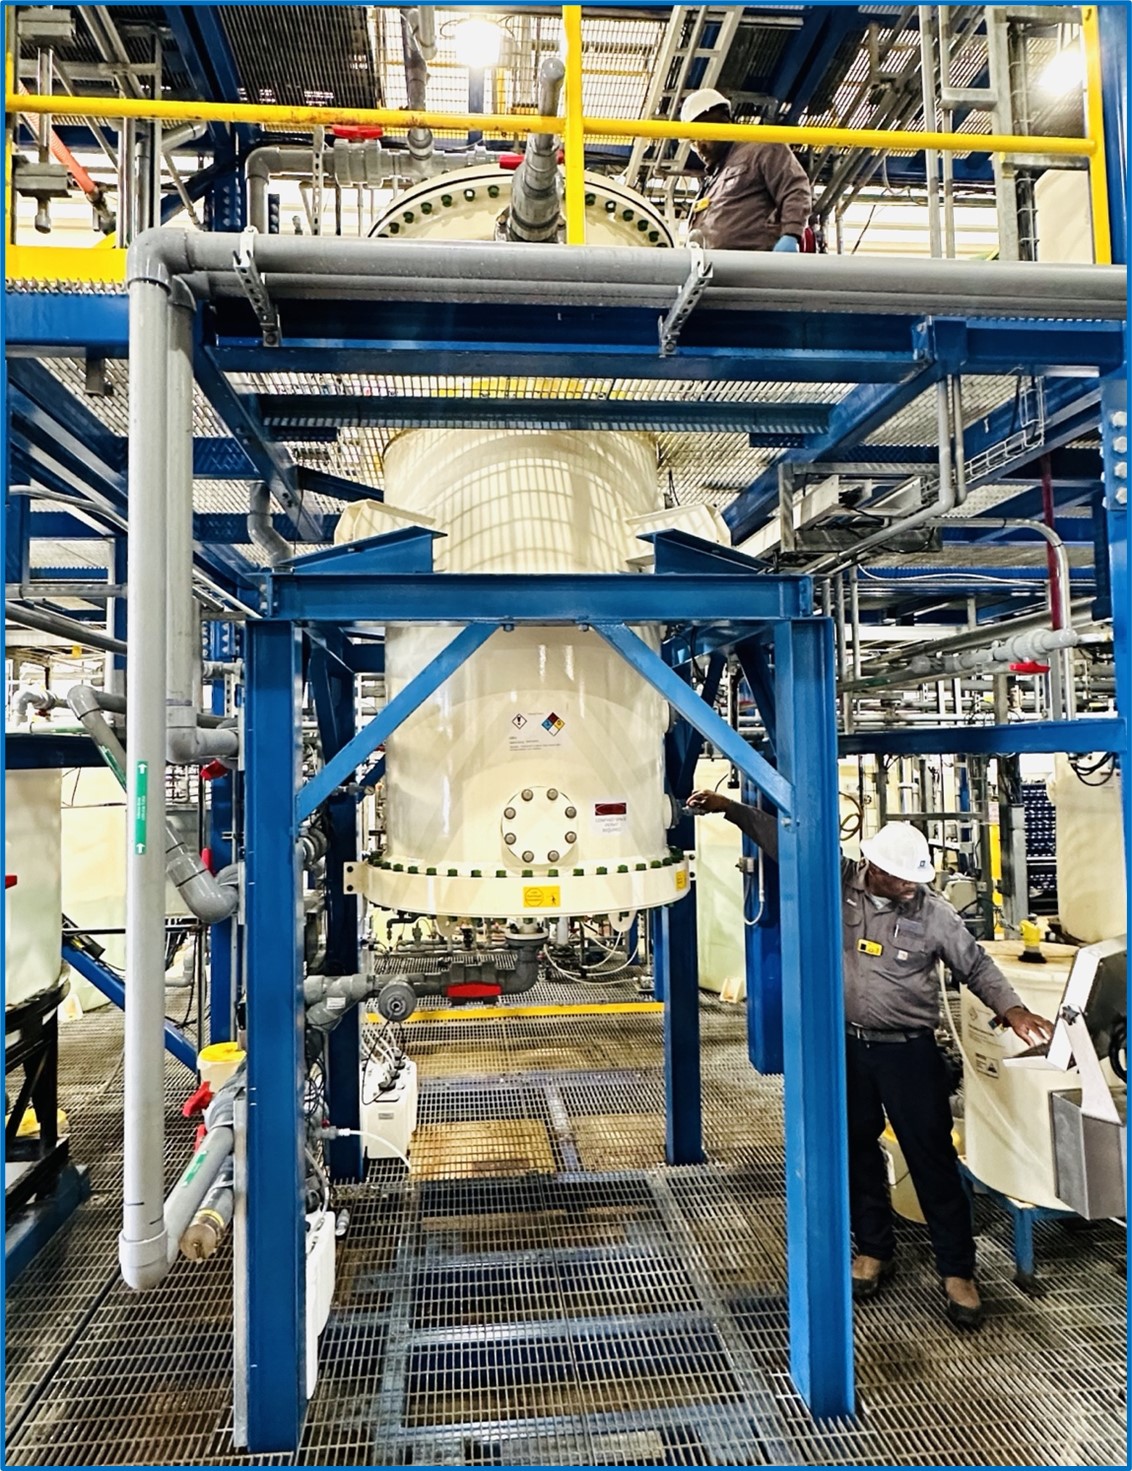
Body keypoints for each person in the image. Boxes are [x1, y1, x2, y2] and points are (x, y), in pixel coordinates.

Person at [685, 794, 1054, 1328]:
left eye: (914, 880)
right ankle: (874, 1249)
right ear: (874, 869)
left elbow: (977, 967)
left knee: (930, 1158)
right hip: (849, 1049)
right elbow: (785, 840)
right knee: (857, 1149)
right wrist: (729, 807)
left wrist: (1014, 1009)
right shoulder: (839, 881)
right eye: (901, 879)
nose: (911, 887)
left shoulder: (933, 914)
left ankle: (958, 1272)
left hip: (910, 1052)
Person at [679, 87, 812, 253]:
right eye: (693, 142)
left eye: (701, 136)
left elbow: (794, 189)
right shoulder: (712, 182)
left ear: (724, 122)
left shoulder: (762, 147)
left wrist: (791, 234)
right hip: (714, 269)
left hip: (753, 262)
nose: (700, 147)